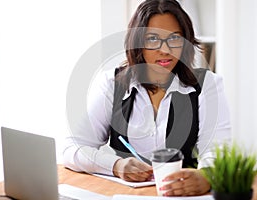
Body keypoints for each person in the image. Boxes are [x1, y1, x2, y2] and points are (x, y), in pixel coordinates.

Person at [63, 0, 231, 196]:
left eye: (174, 38)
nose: (165, 50)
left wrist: (206, 176)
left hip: (182, 195)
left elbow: (218, 150)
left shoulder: (207, 84)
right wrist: (116, 165)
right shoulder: (112, 83)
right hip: (126, 195)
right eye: (152, 39)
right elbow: (72, 148)